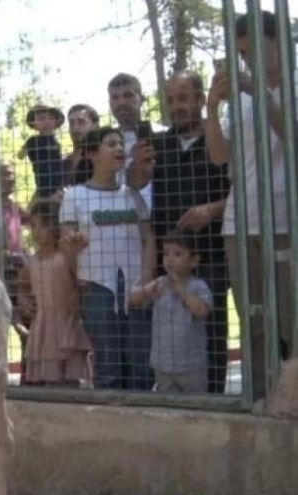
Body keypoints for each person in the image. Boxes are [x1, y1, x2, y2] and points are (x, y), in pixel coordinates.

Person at [206, 10, 297, 401]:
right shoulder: (238, 101)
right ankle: (260, 399)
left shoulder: (290, 86)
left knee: (293, 321)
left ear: (278, 42)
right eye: (241, 54)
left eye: (253, 51)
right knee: (254, 320)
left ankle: (291, 401)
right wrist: (211, 106)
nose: (246, 61)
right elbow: (219, 156)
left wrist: (258, 89)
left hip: (286, 219)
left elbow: (291, 137)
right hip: (240, 225)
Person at [130, 70, 231, 394]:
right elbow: (135, 182)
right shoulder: (159, 144)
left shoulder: (221, 138)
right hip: (170, 258)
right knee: (169, 330)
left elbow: (245, 192)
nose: (178, 106)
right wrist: (139, 166)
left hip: (212, 254)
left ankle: (214, 403)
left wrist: (211, 209)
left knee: (212, 332)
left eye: (184, 98)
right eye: (171, 100)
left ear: (201, 100)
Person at [59, 127, 156, 390]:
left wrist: (146, 283)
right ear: (91, 153)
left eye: (121, 144)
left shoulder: (133, 196)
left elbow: (148, 240)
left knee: (141, 363)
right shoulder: (74, 196)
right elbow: (66, 245)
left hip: (136, 287)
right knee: (108, 363)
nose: (119, 149)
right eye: (111, 144)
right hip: (96, 286)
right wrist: (74, 253)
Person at [17, 201, 91, 387]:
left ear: (56, 225)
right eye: (33, 225)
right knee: (48, 379)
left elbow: (82, 282)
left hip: (66, 324)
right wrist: (23, 299)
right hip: (42, 325)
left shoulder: (65, 256)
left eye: (43, 224)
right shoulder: (31, 262)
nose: (37, 230)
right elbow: (22, 286)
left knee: (69, 380)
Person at [131, 230, 213, 394]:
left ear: (194, 261)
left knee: (196, 407)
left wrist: (183, 292)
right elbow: (133, 300)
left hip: (192, 366)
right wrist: (146, 291)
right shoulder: (160, 283)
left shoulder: (199, 286)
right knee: (168, 408)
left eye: (178, 254)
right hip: (163, 365)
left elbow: (203, 311)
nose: (169, 259)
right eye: (166, 253)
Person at [107, 73, 157, 209]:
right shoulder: (104, 143)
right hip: (115, 216)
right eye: (115, 97)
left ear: (141, 99)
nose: (121, 102)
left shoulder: (161, 134)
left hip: (157, 215)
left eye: (128, 95)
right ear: (110, 103)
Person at [18, 103, 65, 197]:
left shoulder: (56, 142)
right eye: (41, 119)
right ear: (33, 123)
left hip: (59, 183)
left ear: (56, 122)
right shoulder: (33, 141)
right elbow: (20, 155)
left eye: (50, 118)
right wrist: (28, 149)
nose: (46, 122)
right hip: (43, 183)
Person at [62, 103, 101, 188]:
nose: (75, 128)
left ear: (95, 125)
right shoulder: (62, 163)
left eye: (81, 122)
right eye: (71, 123)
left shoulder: (103, 158)